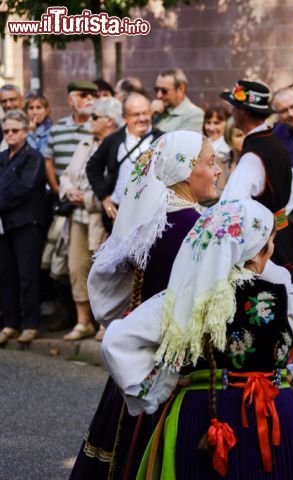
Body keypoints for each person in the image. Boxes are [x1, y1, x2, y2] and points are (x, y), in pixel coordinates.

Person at [102, 199, 293, 479]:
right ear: (255, 254)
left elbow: (117, 342)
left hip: (199, 412)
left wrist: (164, 382)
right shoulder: (287, 299)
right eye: (270, 242)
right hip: (274, 408)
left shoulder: (180, 301)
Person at [70, 131, 221, 479]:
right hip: (174, 369)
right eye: (210, 162)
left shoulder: (156, 216)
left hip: (141, 358)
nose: (218, 172)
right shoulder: (191, 227)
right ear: (184, 170)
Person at [220, 80, 293, 284]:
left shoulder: (253, 155)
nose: (231, 111)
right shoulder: (276, 144)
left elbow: (230, 207)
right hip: (285, 240)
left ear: (243, 112)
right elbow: (292, 193)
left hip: (263, 248)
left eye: (234, 106)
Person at [59, 97, 122, 341]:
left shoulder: (117, 145)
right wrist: (67, 190)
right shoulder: (85, 142)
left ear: (109, 120)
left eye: (94, 116)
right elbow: (66, 174)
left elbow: (114, 189)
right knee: (77, 267)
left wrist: (84, 198)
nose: (89, 120)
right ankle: (83, 322)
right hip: (77, 215)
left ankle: (106, 323)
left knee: (105, 270)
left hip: (101, 217)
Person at [0, 110, 46, 345]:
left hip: (27, 223)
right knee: (6, 275)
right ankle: (10, 323)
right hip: (5, 224)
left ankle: (30, 324)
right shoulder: (2, 157)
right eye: (6, 130)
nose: (10, 134)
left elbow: (22, 189)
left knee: (28, 276)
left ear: (25, 132)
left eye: (15, 130)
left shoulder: (34, 157)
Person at [86, 92, 163, 233]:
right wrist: (104, 197)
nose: (142, 118)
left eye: (145, 113)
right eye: (136, 114)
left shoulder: (163, 139)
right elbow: (93, 166)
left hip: (153, 219)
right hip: (118, 217)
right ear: (124, 117)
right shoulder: (113, 140)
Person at [44, 80, 96, 197]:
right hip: (62, 197)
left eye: (93, 95)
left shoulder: (97, 129)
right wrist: (57, 189)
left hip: (89, 198)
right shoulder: (57, 128)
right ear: (70, 100)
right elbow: (48, 161)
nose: (89, 98)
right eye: (83, 95)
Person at [152, 68, 204, 133]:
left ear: (181, 89)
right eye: (156, 89)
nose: (159, 95)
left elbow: (184, 141)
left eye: (164, 91)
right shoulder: (156, 111)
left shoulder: (194, 114)